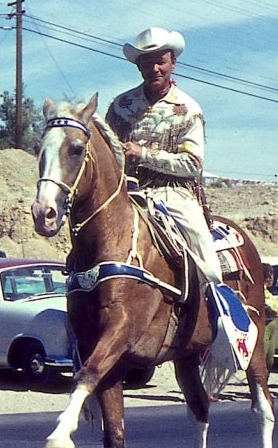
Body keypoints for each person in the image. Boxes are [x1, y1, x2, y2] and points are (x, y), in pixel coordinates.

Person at [106, 27, 248, 369]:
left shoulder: (188, 109)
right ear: (138, 66)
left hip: (173, 194)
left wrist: (144, 154)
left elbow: (192, 164)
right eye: (147, 62)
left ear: (173, 63)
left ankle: (223, 335)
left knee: (206, 258)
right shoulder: (122, 105)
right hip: (126, 191)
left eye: (161, 61)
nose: (154, 68)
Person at [262, 268, 278, 376]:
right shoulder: (261, 292)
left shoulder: (268, 292)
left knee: (270, 359)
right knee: (263, 356)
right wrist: (275, 312)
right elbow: (271, 308)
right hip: (265, 324)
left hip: (272, 324)